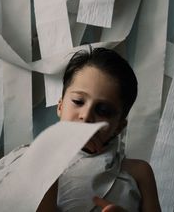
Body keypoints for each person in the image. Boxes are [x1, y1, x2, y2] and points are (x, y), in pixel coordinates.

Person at [38, 47, 161, 211]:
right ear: (60, 106)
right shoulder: (34, 162)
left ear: (118, 127)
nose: (86, 116)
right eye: (78, 101)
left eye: (103, 111)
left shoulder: (139, 173)